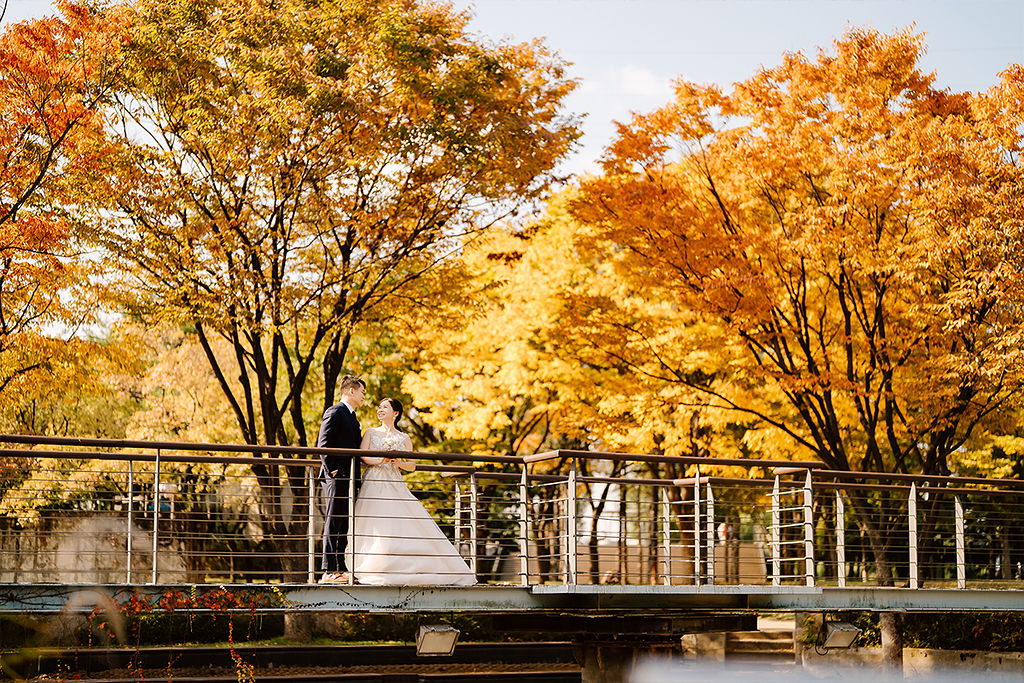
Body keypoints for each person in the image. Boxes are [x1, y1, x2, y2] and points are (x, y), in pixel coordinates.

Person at [352, 398, 475, 586]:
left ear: (396, 413)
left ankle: (408, 565)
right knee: (374, 522)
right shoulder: (370, 432)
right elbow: (364, 456)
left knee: (400, 522)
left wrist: (399, 463)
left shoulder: (404, 438)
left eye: (385, 407)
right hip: (374, 481)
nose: (380, 410)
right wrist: (381, 460)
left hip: (394, 482)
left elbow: (412, 465)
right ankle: (375, 565)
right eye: (379, 407)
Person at [316, 375, 366, 584]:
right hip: (336, 478)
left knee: (343, 524)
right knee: (333, 521)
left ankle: (340, 569)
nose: (364, 396)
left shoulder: (353, 417)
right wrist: (334, 472)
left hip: (350, 478)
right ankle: (328, 570)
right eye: (363, 391)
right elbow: (323, 444)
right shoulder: (335, 412)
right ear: (351, 391)